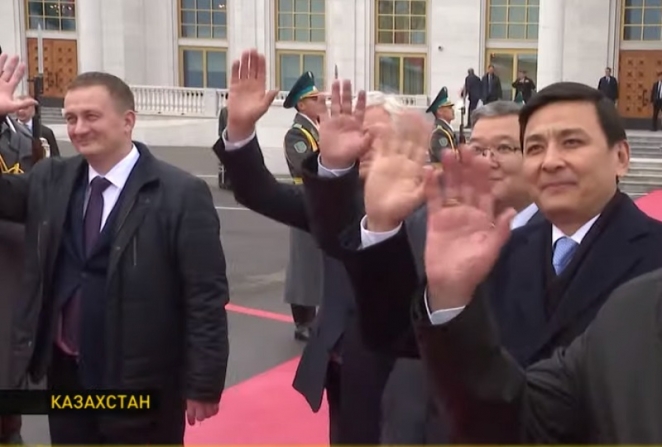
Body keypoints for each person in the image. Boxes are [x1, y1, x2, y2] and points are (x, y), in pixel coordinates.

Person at [0, 53, 229, 445]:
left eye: (91, 116)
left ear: (127, 121)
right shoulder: (50, 179)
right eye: (71, 118)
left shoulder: (180, 193)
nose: (78, 128)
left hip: (142, 383)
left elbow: (205, 296)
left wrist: (204, 382)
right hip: (67, 378)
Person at [303, 98, 540, 444]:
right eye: (477, 148)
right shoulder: (426, 219)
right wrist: (380, 224)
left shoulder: (562, 243)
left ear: (535, 155)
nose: (487, 159)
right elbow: (390, 321)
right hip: (405, 424)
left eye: (504, 148)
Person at [211, 50, 411, 444]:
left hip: (404, 375)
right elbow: (260, 192)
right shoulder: (334, 200)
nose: (361, 143)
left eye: (373, 134)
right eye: (354, 131)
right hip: (340, 366)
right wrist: (240, 129)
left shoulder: (432, 207)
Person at [281, 71, 327, 340]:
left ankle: (315, 316)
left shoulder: (317, 129)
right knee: (304, 261)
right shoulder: (296, 135)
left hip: (321, 198)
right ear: (301, 104)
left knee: (319, 259)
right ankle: (303, 321)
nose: (322, 102)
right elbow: (305, 165)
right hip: (304, 198)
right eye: (315, 98)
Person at [427, 87, 456, 166]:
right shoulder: (439, 133)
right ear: (439, 111)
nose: (452, 110)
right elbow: (446, 157)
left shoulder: (446, 129)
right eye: (449, 108)